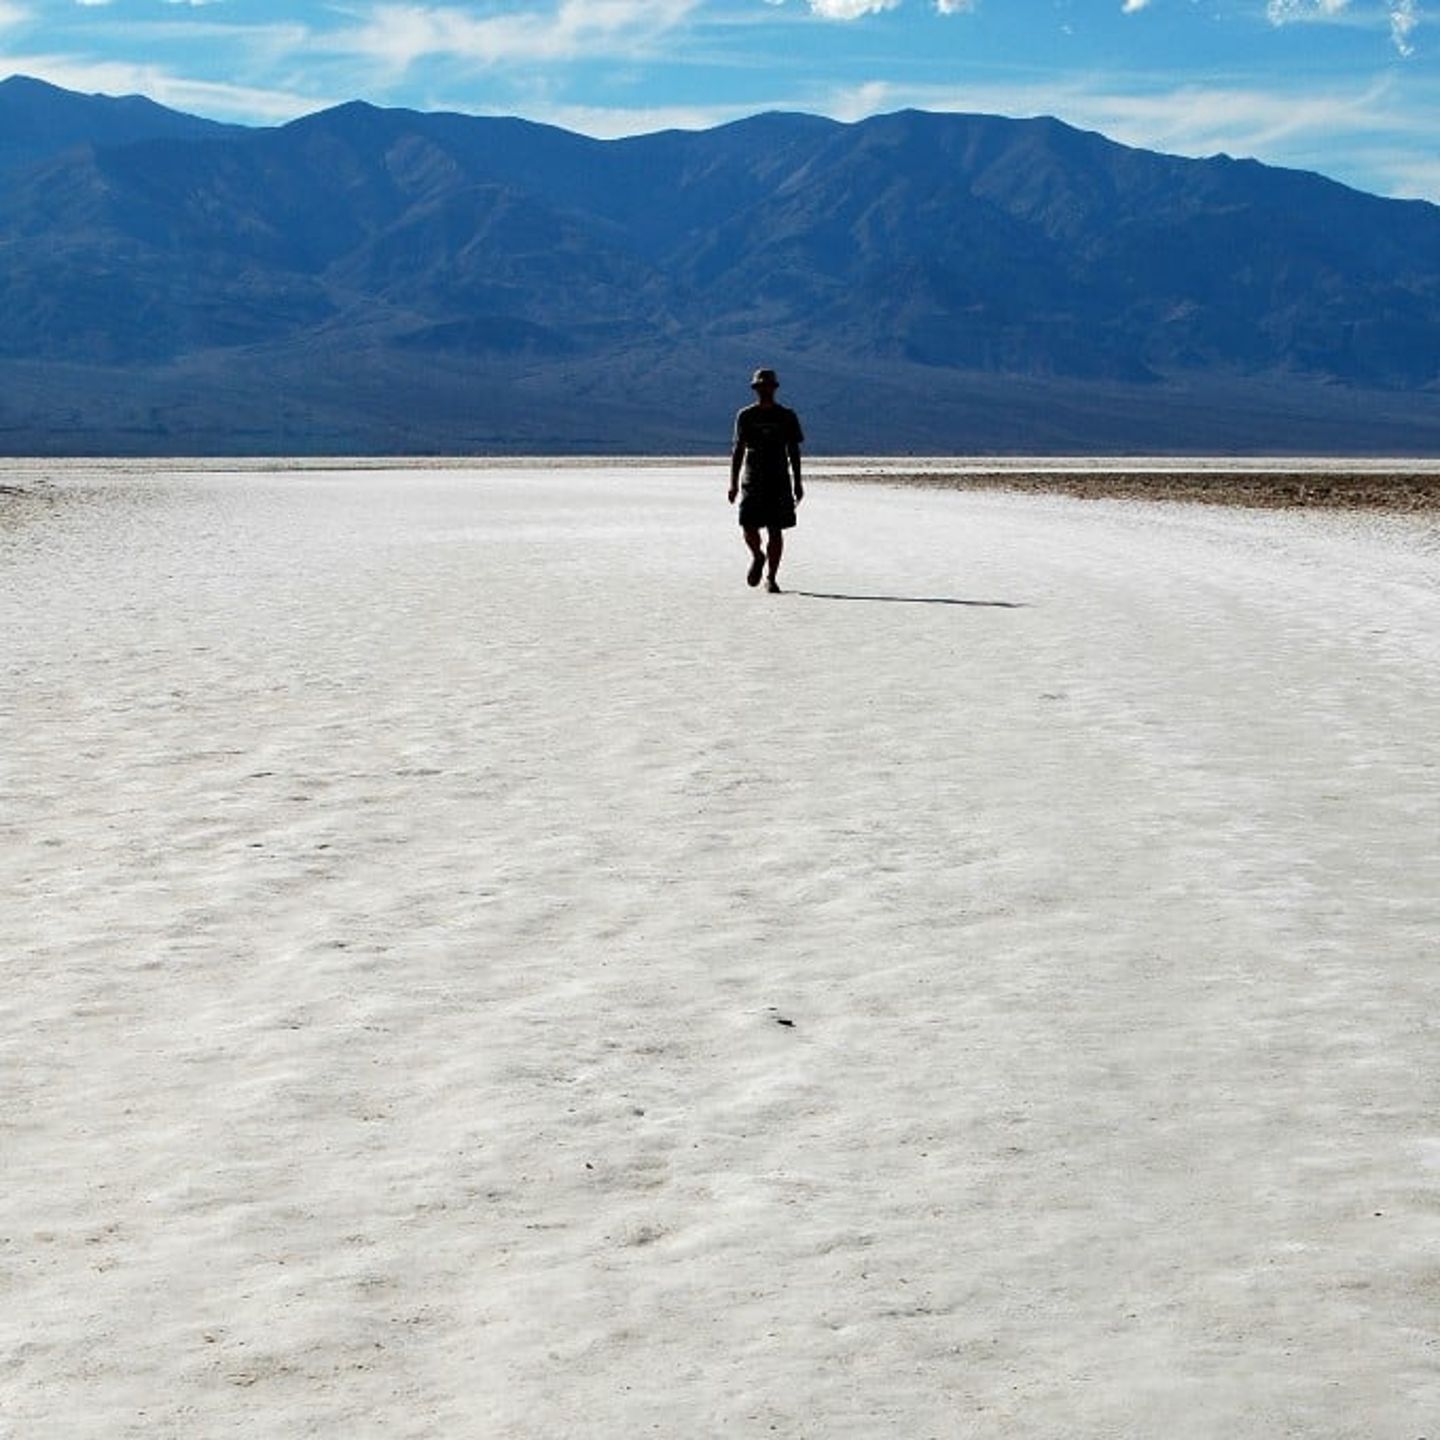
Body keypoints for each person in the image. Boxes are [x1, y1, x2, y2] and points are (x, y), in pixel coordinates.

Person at [728, 367, 804, 593]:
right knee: (748, 525)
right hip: (752, 478)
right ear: (755, 389)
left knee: (775, 529)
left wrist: (798, 482)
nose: (765, 390)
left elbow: (794, 450)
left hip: (779, 478)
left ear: (775, 388)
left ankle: (771, 577)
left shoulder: (787, 416)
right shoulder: (746, 415)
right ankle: (758, 556)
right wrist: (732, 483)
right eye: (761, 387)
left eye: (768, 386)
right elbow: (738, 450)